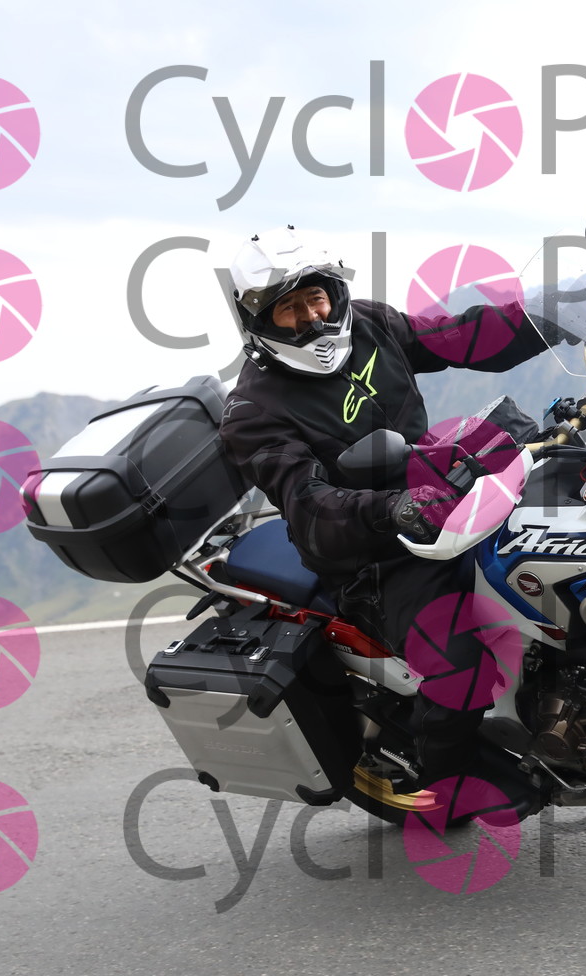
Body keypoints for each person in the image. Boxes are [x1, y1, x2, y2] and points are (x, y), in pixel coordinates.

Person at [217, 225, 550, 806]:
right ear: (260, 321)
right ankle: (446, 778)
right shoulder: (252, 411)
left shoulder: (371, 324)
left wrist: (552, 317)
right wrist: (390, 509)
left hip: (447, 492)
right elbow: (309, 504)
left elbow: (460, 336)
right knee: (460, 665)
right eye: (290, 310)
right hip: (373, 551)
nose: (312, 320)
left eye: (317, 299)